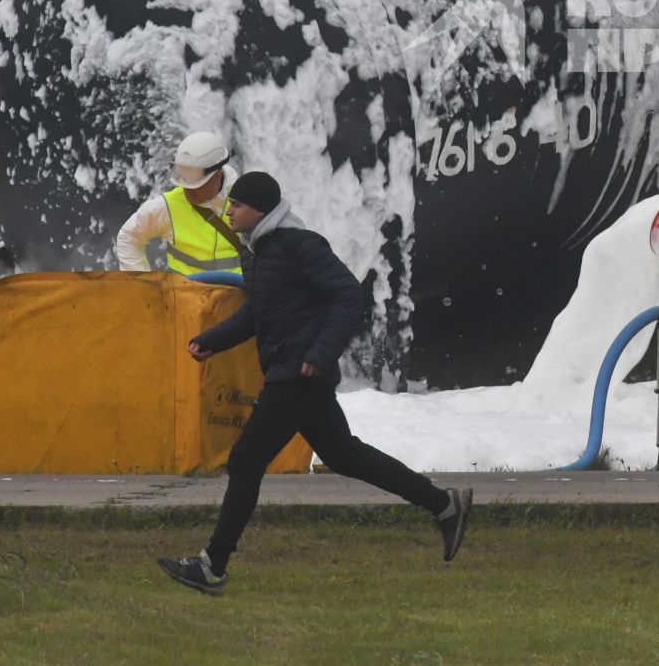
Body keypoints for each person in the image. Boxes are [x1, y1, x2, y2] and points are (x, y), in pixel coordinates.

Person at [158, 171, 471, 596]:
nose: (229, 211)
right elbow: (257, 315)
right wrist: (212, 341)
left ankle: (213, 567)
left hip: (299, 374)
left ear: (261, 211)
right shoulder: (259, 253)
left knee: (246, 461)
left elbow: (349, 295)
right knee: (344, 455)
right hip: (295, 372)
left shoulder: (298, 245)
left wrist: (320, 354)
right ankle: (443, 505)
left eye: (237, 205)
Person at [113, 131, 243, 275]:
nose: (188, 189)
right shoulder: (167, 207)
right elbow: (129, 238)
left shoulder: (248, 199)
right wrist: (142, 286)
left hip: (238, 296)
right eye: (183, 180)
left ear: (217, 175)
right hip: (186, 296)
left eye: (195, 183)